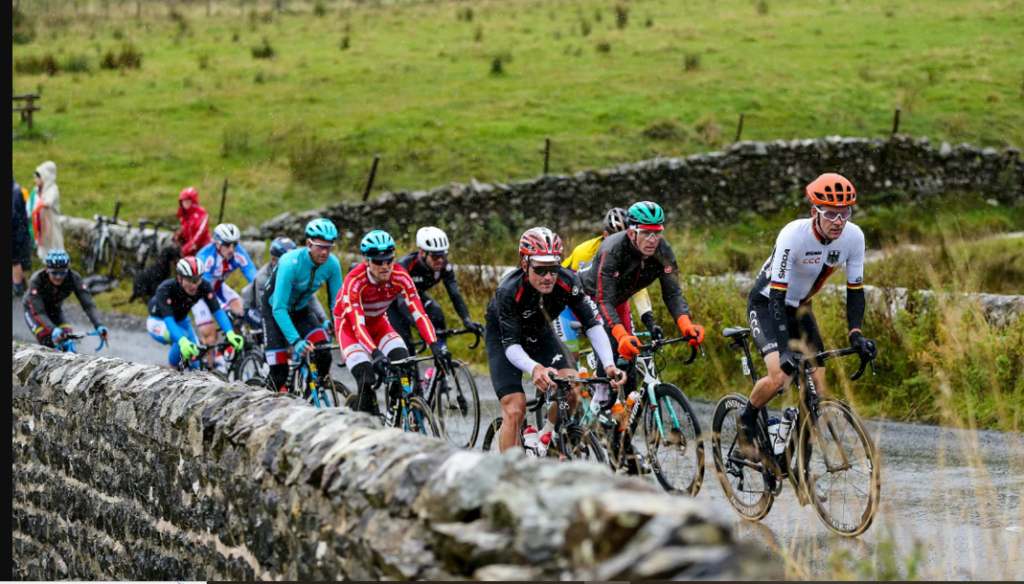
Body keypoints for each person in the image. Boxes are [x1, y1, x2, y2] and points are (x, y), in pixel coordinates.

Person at [737, 173, 878, 458]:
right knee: (779, 377)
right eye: (831, 214)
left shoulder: (854, 237)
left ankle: (796, 460)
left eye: (845, 213)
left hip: (801, 307)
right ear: (815, 212)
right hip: (767, 304)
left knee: (818, 390)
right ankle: (746, 418)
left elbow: (855, 290)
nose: (839, 221)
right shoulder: (793, 235)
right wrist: (784, 349)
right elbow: (777, 296)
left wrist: (856, 334)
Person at [485, 227, 626, 454]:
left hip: (540, 333)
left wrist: (609, 364)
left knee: (572, 388)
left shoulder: (568, 281)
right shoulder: (508, 290)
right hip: (504, 340)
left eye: (554, 268)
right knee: (515, 408)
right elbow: (511, 346)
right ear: (524, 265)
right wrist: (536, 368)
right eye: (541, 269)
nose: (549, 276)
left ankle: (546, 441)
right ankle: (509, 473)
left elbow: (592, 324)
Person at [579, 201, 706, 399]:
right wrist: (620, 335)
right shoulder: (612, 250)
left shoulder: (664, 251)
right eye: (646, 233)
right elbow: (604, 301)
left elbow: (672, 294)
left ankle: (629, 404)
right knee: (611, 345)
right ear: (631, 233)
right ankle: (601, 401)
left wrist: (686, 324)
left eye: (657, 233)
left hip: (619, 300)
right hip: (588, 295)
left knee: (631, 350)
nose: (652, 240)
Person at [335, 230, 451, 415]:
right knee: (367, 380)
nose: (385, 266)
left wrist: (434, 346)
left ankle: (395, 414)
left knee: (403, 365)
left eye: (388, 260)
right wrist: (375, 353)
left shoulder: (400, 275)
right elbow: (358, 325)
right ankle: (360, 422)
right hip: (350, 330)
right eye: (378, 261)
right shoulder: (355, 281)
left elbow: (420, 314)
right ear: (367, 261)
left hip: (379, 325)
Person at [555, 207, 654, 355]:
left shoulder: (633, 254)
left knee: (627, 345)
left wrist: (648, 319)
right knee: (571, 358)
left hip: (603, 299)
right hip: (566, 300)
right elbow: (577, 290)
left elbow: (637, 288)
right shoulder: (585, 252)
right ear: (606, 235)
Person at [262, 219, 343, 393]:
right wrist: (296, 340)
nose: (324, 252)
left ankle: (311, 395)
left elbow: (337, 304)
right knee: (279, 375)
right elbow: (279, 308)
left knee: (324, 354)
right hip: (274, 310)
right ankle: (257, 405)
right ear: (308, 244)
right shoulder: (290, 263)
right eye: (320, 246)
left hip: (301, 310)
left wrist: (340, 330)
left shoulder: (332, 265)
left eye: (329, 247)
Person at [387, 226, 484, 354]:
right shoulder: (405, 265)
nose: (440, 260)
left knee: (437, 315)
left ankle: (441, 357)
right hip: (393, 302)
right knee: (406, 347)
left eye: (443, 255)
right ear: (422, 252)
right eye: (435, 256)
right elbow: (402, 302)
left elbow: (454, 294)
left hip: (416, 295)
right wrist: (421, 327)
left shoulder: (444, 265)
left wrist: (466, 319)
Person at [147, 257, 243, 369]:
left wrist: (230, 333)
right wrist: (182, 341)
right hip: (158, 321)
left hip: (182, 320)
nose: (194, 286)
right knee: (182, 338)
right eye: (190, 280)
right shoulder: (166, 289)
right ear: (180, 278)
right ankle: (171, 372)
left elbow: (217, 311)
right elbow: (169, 321)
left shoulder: (203, 286)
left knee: (196, 360)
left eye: (197, 280)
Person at [193, 223, 257, 371]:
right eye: (227, 244)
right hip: (200, 294)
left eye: (235, 244)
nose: (232, 249)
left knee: (241, 312)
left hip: (219, 287)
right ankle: (207, 372)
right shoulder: (205, 257)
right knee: (211, 336)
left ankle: (227, 352)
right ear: (217, 243)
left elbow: (255, 278)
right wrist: (224, 307)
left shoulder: (239, 253)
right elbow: (207, 292)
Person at [22, 249, 109, 349]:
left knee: (67, 337)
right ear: (47, 269)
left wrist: (99, 325)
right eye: (54, 272)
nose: (58, 277)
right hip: (33, 310)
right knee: (47, 340)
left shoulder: (73, 277)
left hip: (55, 309)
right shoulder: (37, 280)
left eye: (62, 272)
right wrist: (53, 329)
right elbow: (39, 312)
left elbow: (88, 304)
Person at [240, 236, 329, 330]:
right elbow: (264, 308)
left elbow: (311, 299)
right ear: (274, 260)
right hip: (254, 309)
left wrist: (324, 319)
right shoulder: (263, 278)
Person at [28, 161, 64, 260]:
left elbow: (49, 200)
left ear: (45, 176)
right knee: (45, 251)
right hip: (42, 225)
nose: (35, 179)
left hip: (51, 225)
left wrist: (45, 203)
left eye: (38, 176)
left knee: (55, 250)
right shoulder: (37, 190)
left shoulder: (52, 189)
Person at [175, 187, 211, 256]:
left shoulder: (201, 213)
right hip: (190, 250)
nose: (185, 202)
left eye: (188, 200)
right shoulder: (183, 215)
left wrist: (186, 249)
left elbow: (199, 234)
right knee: (168, 252)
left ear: (193, 201)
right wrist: (180, 237)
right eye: (183, 200)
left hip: (202, 250)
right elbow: (187, 233)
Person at [13, 176, 31, 295]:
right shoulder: (20, 190)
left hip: (16, 232)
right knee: (21, 257)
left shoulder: (15, 192)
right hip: (22, 230)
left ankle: (18, 286)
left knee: (15, 260)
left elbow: (13, 215)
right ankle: (21, 285)